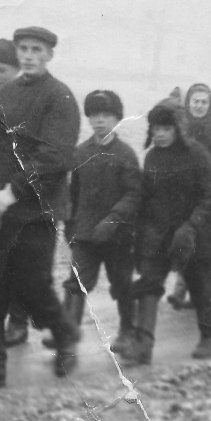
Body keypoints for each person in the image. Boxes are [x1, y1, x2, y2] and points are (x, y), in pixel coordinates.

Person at [0, 26, 81, 390]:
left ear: (49, 55)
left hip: (35, 211)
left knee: (32, 286)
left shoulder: (59, 97)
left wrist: (12, 193)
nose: (29, 55)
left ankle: (64, 335)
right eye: (24, 49)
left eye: (36, 50)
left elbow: (54, 159)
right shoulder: (4, 93)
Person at [120, 98, 211, 365]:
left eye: (166, 128)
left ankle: (209, 337)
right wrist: (142, 233)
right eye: (156, 129)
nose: (160, 134)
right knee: (149, 284)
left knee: (200, 287)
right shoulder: (152, 157)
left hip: (197, 235)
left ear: (178, 129)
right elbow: (149, 198)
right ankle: (143, 345)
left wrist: (191, 226)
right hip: (162, 235)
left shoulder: (197, 154)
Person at [53, 90, 140, 353]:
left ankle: (128, 332)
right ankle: (67, 336)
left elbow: (134, 194)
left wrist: (114, 219)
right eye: (94, 115)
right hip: (86, 234)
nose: (100, 120)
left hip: (118, 236)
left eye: (106, 115)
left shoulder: (126, 154)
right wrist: (71, 227)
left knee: (122, 284)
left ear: (117, 118)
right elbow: (73, 194)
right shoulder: (80, 153)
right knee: (76, 283)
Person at [0, 39, 34, 348]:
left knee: (22, 262)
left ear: (17, 71)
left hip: (22, 190)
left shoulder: (26, 99)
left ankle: (18, 320)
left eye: (4, 69)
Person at [167, 83, 211, 309]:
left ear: (210, 105)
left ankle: (202, 292)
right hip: (184, 196)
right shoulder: (179, 128)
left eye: (204, 102)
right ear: (188, 103)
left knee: (206, 247)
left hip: (208, 197)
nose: (200, 106)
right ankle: (181, 288)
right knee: (185, 241)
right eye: (196, 101)